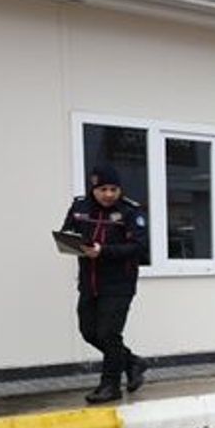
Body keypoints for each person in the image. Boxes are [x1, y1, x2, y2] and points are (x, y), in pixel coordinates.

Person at [60, 165, 148, 403]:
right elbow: (68, 233)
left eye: (113, 189)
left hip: (119, 284)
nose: (109, 194)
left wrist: (103, 251)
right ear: (93, 188)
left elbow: (139, 247)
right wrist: (72, 242)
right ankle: (132, 362)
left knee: (108, 333)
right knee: (89, 332)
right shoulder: (80, 207)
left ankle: (110, 386)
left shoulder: (130, 211)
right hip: (89, 282)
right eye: (103, 189)